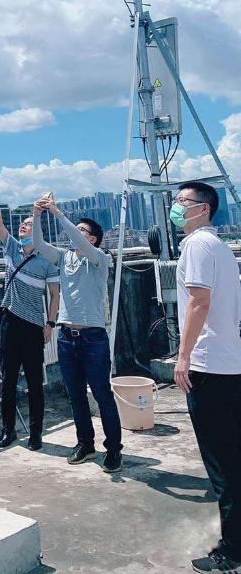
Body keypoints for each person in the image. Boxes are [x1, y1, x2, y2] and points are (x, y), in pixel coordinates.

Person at [172, 181, 241, 574]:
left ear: (203, 209)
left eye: (182, 201)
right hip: (228, 362)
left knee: (222, 463)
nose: (176, 206)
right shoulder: (220, 247)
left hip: (207, 366)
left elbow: (199, 301)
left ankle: (232, 551)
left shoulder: (197, 245)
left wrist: (183, 358)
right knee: (233, 454)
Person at [32, 193, 123, 473]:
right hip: (66, 337)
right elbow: (38, 244)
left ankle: (114, 449)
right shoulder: (64, 258)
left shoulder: (99, 259)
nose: (77, 234)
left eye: (83, 231)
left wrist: (58, 213)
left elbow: (78, 239)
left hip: (92, 338)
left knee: (102, 395)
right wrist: (37, 215)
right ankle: (85, 443)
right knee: (76, 395)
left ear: (93, 239)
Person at [0, 182, 60, 451]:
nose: (22, 227)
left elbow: (55, 295)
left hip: (34, 325)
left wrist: (50, 323)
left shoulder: (47, 260)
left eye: (28, 225)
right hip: (10, 322)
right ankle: (9, 429)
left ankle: (36, 433)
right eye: (22, 225)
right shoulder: (12, 248)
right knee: (9, 380)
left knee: (35, 383)